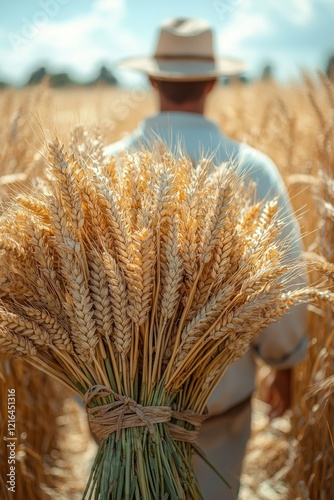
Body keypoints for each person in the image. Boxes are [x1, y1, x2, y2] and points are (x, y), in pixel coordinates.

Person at [104, 18, 308, 499]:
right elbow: (284, 288)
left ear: (151, 79)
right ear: (214, 81)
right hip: (217, 411)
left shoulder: (103, 169)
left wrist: (90, 392)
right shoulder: (253, 170)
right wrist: (284, 362)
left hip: (117, 414)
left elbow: (68, 299)